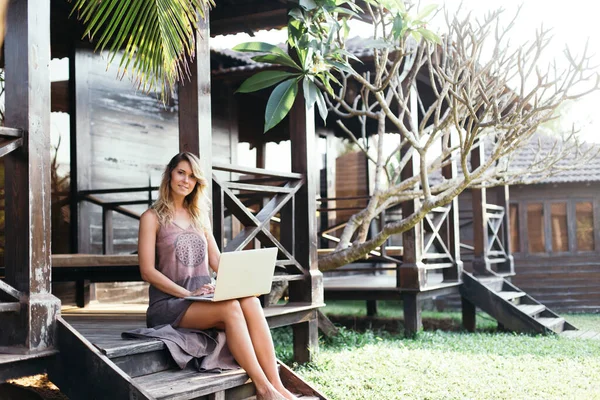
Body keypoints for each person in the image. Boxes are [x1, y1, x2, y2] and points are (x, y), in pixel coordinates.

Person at [138, 152, 296, 400]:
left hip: (203, 298)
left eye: (192, 177)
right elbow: (147, 271)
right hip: (168, 304)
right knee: (231, 308)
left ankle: (278, 386)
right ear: (169, 174)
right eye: (181, 173)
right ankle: (264, 389)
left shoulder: (200, 218)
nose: (186, 180)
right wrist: (188, 293)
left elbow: (217, 261)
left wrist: (244, 284)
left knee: (251, 302)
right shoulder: (151, 218)